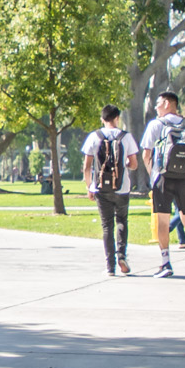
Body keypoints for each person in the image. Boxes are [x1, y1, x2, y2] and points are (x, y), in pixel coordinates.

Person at [140, 91, 185, 275]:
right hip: (184, 179)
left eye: (158, 104)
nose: (156, 108)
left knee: (162, 220)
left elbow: (146, 154)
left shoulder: (156, 125)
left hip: (163, 178)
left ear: (168, 103)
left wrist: (153, 176)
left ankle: (166, 262)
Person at [83, 105, 140, 276]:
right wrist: (125, 165)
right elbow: (134, 164)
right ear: (117, 118)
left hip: (101, 188)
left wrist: (89, 187)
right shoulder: (126, 137)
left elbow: (87, 167)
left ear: (102, 119)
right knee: (122, 220)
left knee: (107, 226)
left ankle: (110, 266)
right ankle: (122, 255)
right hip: (122, 187)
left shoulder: (94, 136)